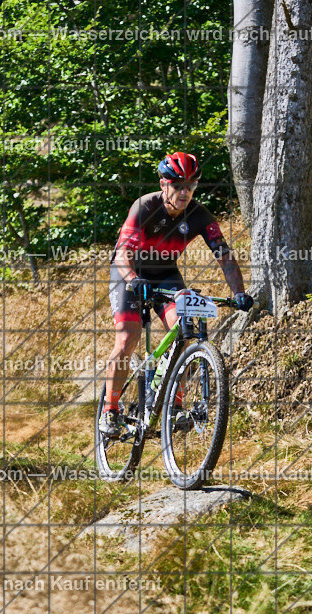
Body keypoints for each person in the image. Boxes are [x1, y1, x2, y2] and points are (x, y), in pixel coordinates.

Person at [100, 152, 253, 438]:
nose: (185, 192)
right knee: (128, 336)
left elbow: (225, 256)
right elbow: (123, 254)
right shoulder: (145, 206)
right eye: (178, 185)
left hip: (167, 275)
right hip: (129, 274)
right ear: (163, 184)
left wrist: (239, 292)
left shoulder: (200, 215)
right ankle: (110, 410)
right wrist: (134, 279)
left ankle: (174, 405)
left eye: (191, 186)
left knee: (183, 331)